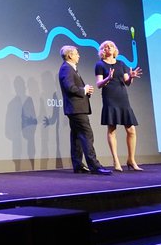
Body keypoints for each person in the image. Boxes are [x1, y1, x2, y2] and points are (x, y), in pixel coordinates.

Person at [58, 45, 111, 175]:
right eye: (76, 53)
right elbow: (70, 88)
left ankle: (78, 165)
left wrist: (86, 91)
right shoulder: (66, 68)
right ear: (70, 55)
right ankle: (94, 166)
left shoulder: (71, 68)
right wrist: (84, 90)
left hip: (76, 108)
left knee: (77, 137)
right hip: (76, 109)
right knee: (87, 135)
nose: (79, 56)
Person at [94, 41, 143, 171]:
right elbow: (98, 84)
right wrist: (108, 78)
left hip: (123, 97)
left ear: (115, 49)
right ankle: (116, 161)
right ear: (102, 51)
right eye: (106, 47)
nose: (108, 48)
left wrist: (131, 77)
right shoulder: (100, 65)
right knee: (112, 129)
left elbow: (127, 82)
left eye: (111, 46)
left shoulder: (121, 64)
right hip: (110, 98)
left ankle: (131, 160)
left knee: (131, 130)